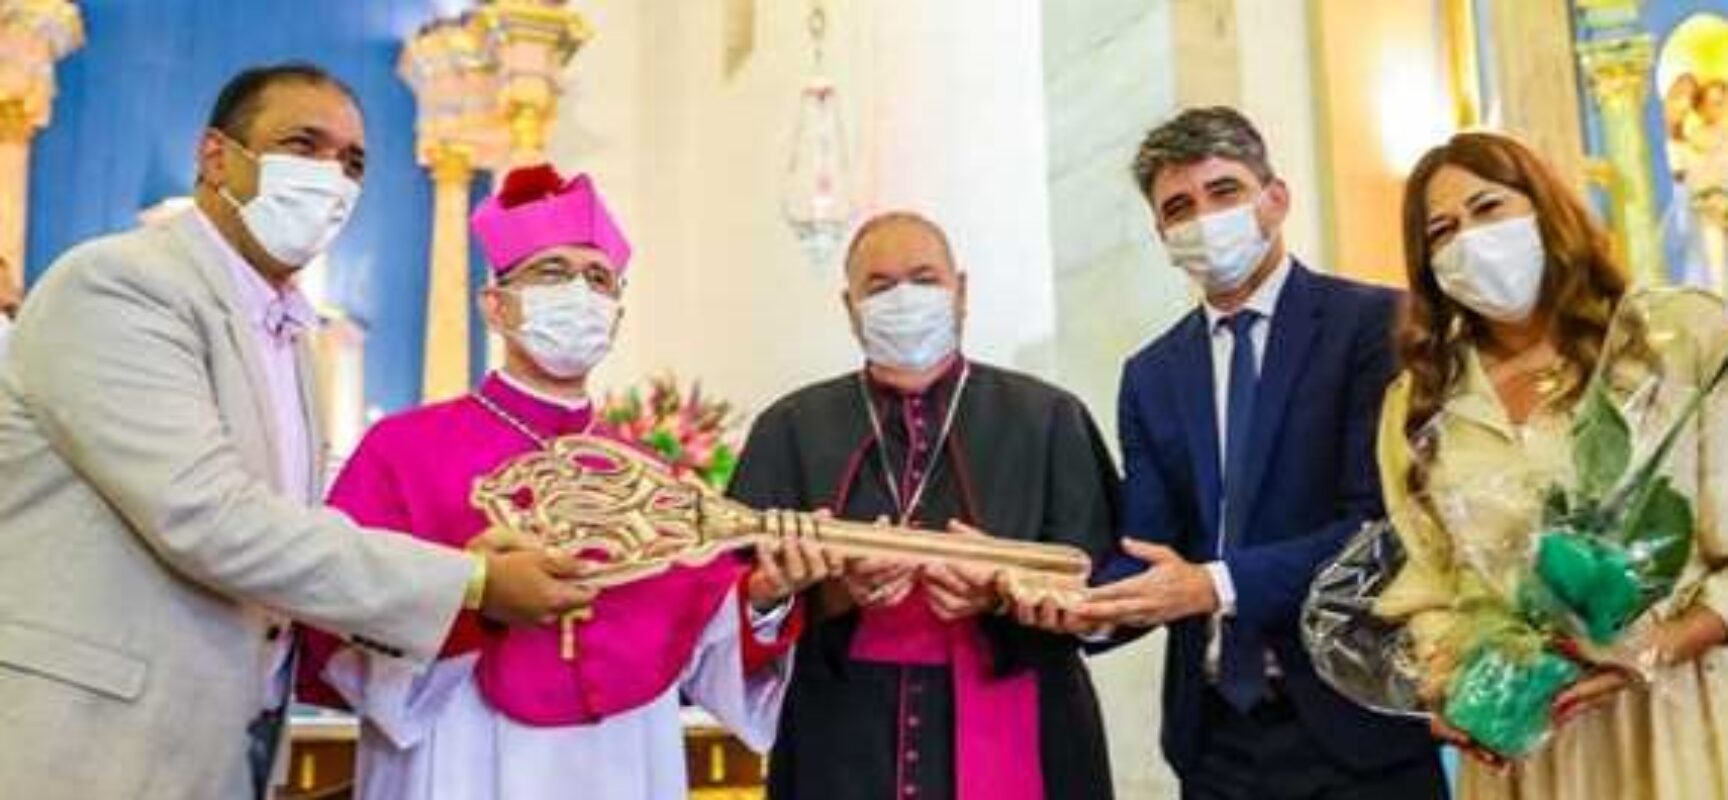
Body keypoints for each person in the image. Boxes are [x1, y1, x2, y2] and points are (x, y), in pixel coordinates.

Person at [0, 63, 588, 800]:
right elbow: (207, 517)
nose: (330, 177)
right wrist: (471, 582)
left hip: (230, 742)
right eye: (302, 145)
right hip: (91, 741)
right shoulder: (121, 287)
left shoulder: (293, 339)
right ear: (218, 158)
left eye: (352, 162)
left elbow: (292, 535)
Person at [300, 164, 810, 799]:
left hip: (622, 761)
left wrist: (762, 597)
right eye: (551, 272)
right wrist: (472, 595)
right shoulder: (403, 451)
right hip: (461, 755)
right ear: (496, 304)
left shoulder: (648, 476)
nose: (579, 291)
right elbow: (341, 618)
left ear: (617, 312)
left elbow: (707, 646)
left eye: (598, 278)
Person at [1074, 107, 1444, 798]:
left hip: (1356, 726)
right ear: (1162, 235)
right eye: (1179, 207)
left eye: (1224, 192)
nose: (1203, 218)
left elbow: (1383, 527)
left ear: (1275, 198)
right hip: (1214, 742)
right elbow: (1150, 546)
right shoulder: (1151, 373)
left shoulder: (1375, 324)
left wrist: (1216, 584)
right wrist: (1059, 596)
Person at [1377, 130, 1728, 799]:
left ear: (1545, 209)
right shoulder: (1418, 404)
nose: (1468, 239)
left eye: (1488, 209)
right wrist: (1449, 680)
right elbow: (1426, 580)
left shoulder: (1681, 338)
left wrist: (1659, 644)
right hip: (1527, 737)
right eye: (1442, 231)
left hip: (1682, 713)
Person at [726, 211, 1119, 800]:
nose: (904, 298)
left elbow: (1108, 587)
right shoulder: (791, 428)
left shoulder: (1047, 418)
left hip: (1020, 716)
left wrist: (1006, 589)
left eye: (924, 278)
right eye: (879, 286)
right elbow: (730, 602)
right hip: (842, 735)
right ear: (849, 305)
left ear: (961, 292)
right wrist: (828, 591)